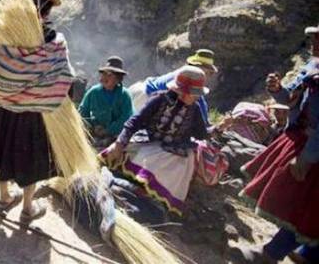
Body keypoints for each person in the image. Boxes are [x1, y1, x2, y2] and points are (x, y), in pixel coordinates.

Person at [0, 0, 64, 222]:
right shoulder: (52, 39)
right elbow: (61, 77)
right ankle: (26, 207)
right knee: (28, 157)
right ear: (48, 9)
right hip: (31, 112)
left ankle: (3, 198)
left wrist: (5, 84)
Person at [236, 24, 319, 263]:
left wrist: (307, 158)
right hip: (304, 140)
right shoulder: (312, 68)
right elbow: (293, 99)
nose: (312, 43)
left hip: (313, 148)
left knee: (306, 204)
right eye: (312, 38)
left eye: (317, 39)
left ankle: (270, 254)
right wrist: (277, 90)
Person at [101, 65, 211, 215]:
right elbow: (135, 122)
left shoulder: (195, 109)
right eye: (194, 94)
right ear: (182, 92)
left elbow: (201, 134)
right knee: (145, 154)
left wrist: (219, 128)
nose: (197, 97)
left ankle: (153, 194)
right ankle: (136, 186)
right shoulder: (159, 99)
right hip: (149, 141)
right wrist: (120, 143)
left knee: (182, 163)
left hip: (173, 150)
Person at [129, 48, 218, 124]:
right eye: (207, 72)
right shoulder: (187, 78)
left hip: (143, 89)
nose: (207, 75)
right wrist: (205, 125)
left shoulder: (185, 73)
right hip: (145, 94)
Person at [79, 56, 134, 150]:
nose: (104, 78)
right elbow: (83, 112)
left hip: (117, 135)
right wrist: (92, 127)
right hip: (95, 133)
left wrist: (108, 130)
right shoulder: (93, 92)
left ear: (118, 79)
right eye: (103, 74)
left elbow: (126, 118)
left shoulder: (125, 95)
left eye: (109, 75)